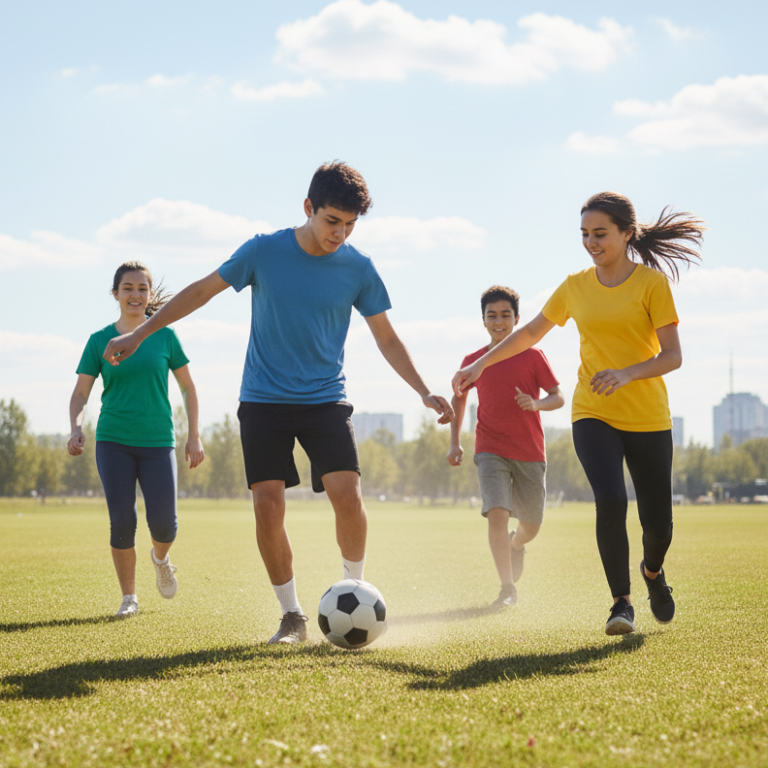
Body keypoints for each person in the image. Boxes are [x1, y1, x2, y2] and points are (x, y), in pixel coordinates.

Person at [101, 162, 454, 644]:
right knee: (268, 507)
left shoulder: (359, 267)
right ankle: (292, 617)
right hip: (263, 400)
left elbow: (387, 338)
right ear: (309, 207)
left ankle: (353, 589)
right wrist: (141, 332)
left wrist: (422, 389)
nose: (340, 234)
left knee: (348, 495)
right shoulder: (263, 251)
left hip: (326, 398)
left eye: (350, 225)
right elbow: (203, 291)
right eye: (332, 221)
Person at [453, 192, 704, 635]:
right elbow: (530, 333)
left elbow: (673, 356)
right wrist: (480, 364)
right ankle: (621, 603)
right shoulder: (575, 286)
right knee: (610, 499)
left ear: (627, 234)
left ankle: (652, 571)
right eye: (585, 234)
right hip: (593, 412)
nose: (591, 242)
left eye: (600, 233)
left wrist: (628, 373)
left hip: (648, 416)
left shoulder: (651, 285)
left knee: (658, 526)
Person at [68, 262, 205, 618]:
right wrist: (76, 427)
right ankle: (129, 597)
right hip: (113, 440)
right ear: (115, 294)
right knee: (122, 521)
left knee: (165, 524)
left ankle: (160, 558)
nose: (135, 295)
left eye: (142, 288)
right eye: (127, 288)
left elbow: (188, 388)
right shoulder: (99, 340)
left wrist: (194, 436)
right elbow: (80, 394)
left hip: (158, 441)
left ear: (149, 294)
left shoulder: (166, 337)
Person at [447, 286, 564, 608]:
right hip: (489, 448)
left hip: (529, 451)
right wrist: (455, 443)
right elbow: (459, 401)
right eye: (492, 315)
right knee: (497, 513)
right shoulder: (473, 362)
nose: (498, 321)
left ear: (517, 319)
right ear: (483, 320)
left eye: (505, 315)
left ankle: (516, 544)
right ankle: (507, 588)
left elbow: (558, 397)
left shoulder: (534, 356)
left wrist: (536, 404)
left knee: (532, 526)